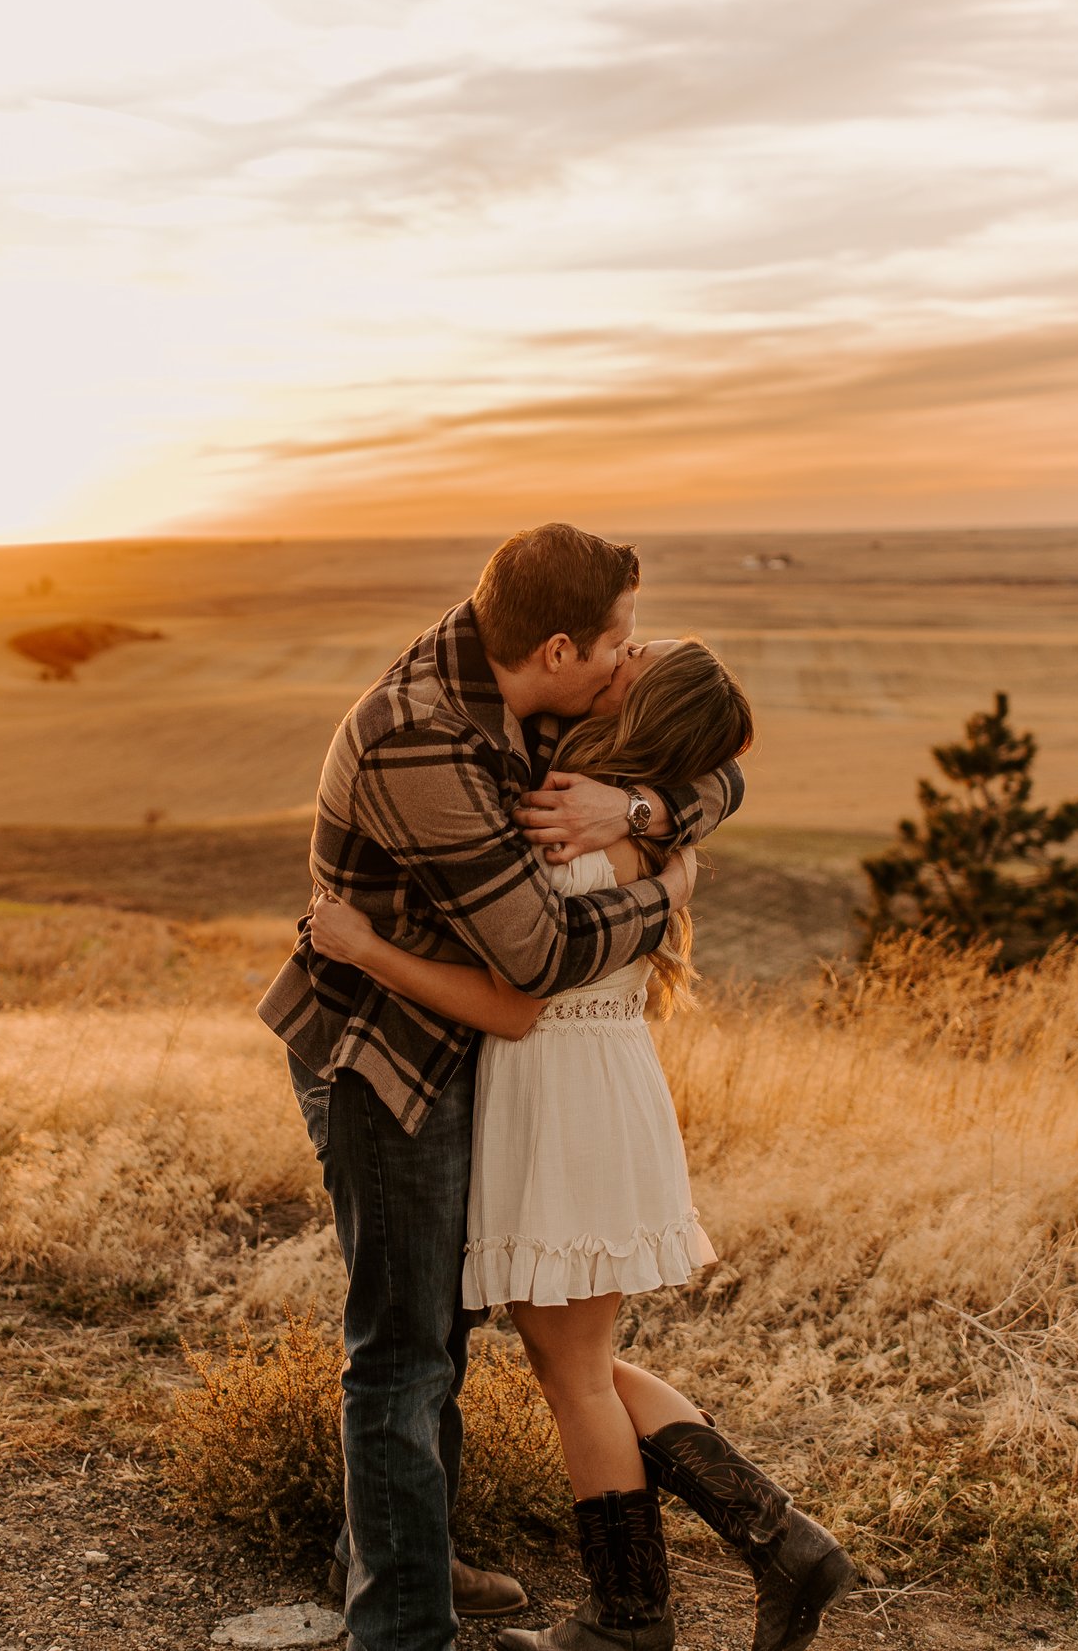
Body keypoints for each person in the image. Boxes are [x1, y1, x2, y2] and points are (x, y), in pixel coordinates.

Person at [308, 639, 855, 1651]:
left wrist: (367, 947)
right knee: (584, 1362)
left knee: (576, 1376)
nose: (626, 649)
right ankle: (766, 1544)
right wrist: (665, 843)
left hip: (556, 1093)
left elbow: (510, 1008)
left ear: (634, 714)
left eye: (636, 658)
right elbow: (712, 776)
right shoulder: (625, 816)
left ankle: (639, 1618)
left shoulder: (569, 836)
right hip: (595, 1086)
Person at [259, 523, 743, 1651]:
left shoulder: (527, 685)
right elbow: (530, 960)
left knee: (441, 1326)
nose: (635, 661)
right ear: (562, 647)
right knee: (404, 1345)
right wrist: (661, 880)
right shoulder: (418, 738)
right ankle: (401, 1621)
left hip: (471, 1041)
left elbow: (714, 752)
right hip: (386, 1053)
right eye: (621, 644)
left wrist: (642, 818)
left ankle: (397, 1548)